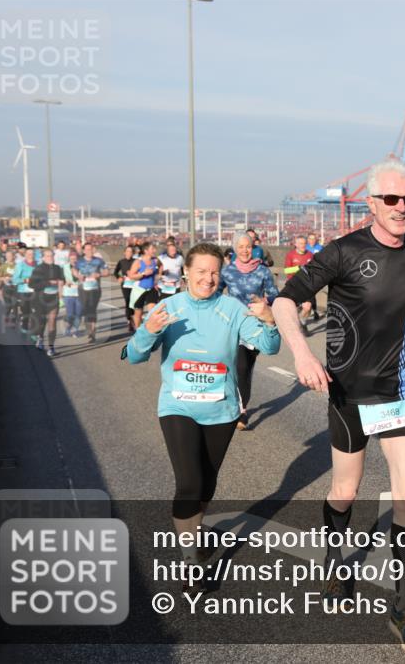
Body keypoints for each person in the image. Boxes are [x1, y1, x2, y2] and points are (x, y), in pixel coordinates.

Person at [273, 158, 405, 653]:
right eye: (391, 200)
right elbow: (285, 301)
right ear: (371, 202)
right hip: (350, 392)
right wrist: (302, 352)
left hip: (399, 392)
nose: (401, 208)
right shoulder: (343, 251)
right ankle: (335, 563)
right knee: (345, 490)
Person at [124, 242, 280, 593]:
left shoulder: (233, 309)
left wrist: (269, 322)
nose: (208, 279)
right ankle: (190, 563)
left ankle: (197, 531)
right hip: (177, 406)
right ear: (186, 274)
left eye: (213, 273)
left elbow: (269, 347)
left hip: (221, 409)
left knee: (207, 485)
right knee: (190, 483)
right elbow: (135, 356)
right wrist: (148, 330)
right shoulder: (169, 307)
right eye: (201, 272)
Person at [219, 233, 280, 430]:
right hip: (234, 324)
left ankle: (240, 402)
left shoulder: (262, 271)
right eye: (241, 246)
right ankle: (242, 410)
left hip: (255, 325)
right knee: (240, 367)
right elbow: (216, 295)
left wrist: (266, 303)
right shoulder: (227, 272)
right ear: (235, 249)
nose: (245, 250)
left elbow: (274, 296)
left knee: (246, 367)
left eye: (248, 246)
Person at [29, 248, 65, 356]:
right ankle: (40, 337)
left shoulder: (58, 268)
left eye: (52, 255)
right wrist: (47, 282)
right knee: (41, 321)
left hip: (53, 298)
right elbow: (31, 285)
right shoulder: (38, 269)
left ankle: (51, 347)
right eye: (48, 256)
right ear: (43, 257)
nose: (50, 258)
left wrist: (61, 293)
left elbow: (61, 281)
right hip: (40, 299)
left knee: (52, 321)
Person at [75, 242, 109, 343]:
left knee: (92, 310)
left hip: (95, 289)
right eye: (87, 249)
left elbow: (107, 271)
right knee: (86, 310)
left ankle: (92, 333)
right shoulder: (79, 261)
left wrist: (99, 274)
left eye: (91, 249)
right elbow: (74, 270)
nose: (89, 251)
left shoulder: (99, 261)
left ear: (93, 250)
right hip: (83, 289)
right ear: (84, 250)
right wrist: (78, 275)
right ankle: (89, 329)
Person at [126, 242, 161, 332]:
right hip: (139, 290)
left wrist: (157, 281)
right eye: (152, 249)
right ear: (146, 251)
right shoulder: (138, 262)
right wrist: (143, 273)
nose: (155, 250)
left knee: (153, 310)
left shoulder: (155, 260)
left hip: (151, 289)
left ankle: (151, 330)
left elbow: (160, 269)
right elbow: (131, 276)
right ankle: (138, 332)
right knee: (138, 314)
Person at [282, 235, 315, 328]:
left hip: (306, 284)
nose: (303, 245)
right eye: (300, 243)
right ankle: (293, 324)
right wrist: (299, 268)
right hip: (294, 284)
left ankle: (302, 321)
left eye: (304, 243)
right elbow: (286, 271)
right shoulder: (290, 255)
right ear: (296, 244)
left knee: (307, 307)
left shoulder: (310, 255)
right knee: (293, 308)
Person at [11, 249, 37, 335]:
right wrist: (25, 280)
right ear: (25, 255)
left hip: (36, 291)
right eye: (29, 254)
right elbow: (14, 279)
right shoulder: (20, 265)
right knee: (26, 311)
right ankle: (24, 326)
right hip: (23, 291)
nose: (31, 255)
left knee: (35, 311)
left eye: (32, 253)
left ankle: (33, 332)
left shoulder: (38, 264)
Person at [114, 245, 137, 331]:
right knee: (128, 302)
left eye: (131, 251)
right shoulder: (121, 261)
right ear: (124, 252)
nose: (129, 253)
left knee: (134, 303)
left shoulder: (136, 261)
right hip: (125, 285)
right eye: (127, 251)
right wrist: (119, 277)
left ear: (133, 253)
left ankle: (134, 318)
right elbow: (115, 272)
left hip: (135, 285)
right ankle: (129, 320)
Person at [62, 251, 83, 337]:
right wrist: (65, 282)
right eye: (72, 259)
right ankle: (68, 327)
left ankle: (75, 330)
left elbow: (84, 279)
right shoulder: (64, 267)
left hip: (79, 293)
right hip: (68, 293)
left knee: (78, 313)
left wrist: (77, 275)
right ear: (69, 259)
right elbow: (60, 278)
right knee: (70, 314)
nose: (73, 260)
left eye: (75, 259)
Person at [0, 250, 19, 327]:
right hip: (6, 288)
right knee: (8, 305)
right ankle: (6, 316)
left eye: (10, 256)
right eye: (7, 256)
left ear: (14, 256)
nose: (8, 257)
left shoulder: (18, 266)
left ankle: (13, 321)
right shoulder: (4, 266)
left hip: (16, 287)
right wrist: (4, 279)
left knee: (15, 304)